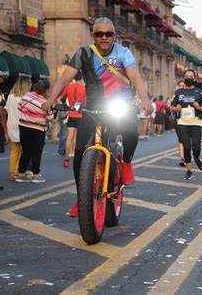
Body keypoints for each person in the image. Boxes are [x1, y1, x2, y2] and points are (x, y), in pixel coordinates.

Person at [42, 17, 152, 217]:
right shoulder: (83, 54)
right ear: (93, 36)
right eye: (99, 34)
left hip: (119, 104)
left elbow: (135, 75)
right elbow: (65, 78)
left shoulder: (123, 53)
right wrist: (50, 98)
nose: (104, 37)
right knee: (80, 155)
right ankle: (82, 198)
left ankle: (126, 162)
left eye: (108, 34)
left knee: (130, 128)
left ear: (114, 36)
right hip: (93, 108)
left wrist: (145, 99)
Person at [171, 69, 202, 180]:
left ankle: (196, 157)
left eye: (191, 76)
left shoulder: (199, 91)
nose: (189, 77)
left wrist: (198, 107)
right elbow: (172, 106)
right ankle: (189, 170)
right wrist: (175, 108)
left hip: (195, 122)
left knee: (196, 147)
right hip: (182, 122)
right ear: (183, 78)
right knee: (186, 146)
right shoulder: (178, 92)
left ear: (194, 78)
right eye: (187, 76)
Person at [15, 80, 54, 183]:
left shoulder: (27, 96)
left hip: (23, 127)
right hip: (38, 129)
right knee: (36, 152)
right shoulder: (45, 103)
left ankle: (21, 173)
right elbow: (50, 118)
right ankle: (36, 175)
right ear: (46, 90)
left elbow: (19, 107)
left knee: (26, 151)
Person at [56, 72, 86, 167]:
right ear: (81, 78)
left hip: (71, 114)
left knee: (69, 137)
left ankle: (66, 159)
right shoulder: (84, 88)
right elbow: (85, 103)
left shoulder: (69, 87)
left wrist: (65, 106)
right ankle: (78, 159)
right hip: (80, 115)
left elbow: (58, 98)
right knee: (78, 139)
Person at [6, 76, 31, 181]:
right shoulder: (27, 98)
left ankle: (12, 172)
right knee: (24, 150)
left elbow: (6, 110)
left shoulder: (10, 96)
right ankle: (18, 171)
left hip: (11, 124)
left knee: (15, 150)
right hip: (23, 124)